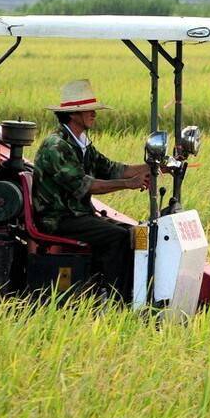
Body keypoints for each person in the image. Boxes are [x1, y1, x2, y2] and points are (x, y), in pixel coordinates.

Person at [33, 80, 151, 300]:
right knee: (117, 237)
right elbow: (85, 185)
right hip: (58, 218)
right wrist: (129, 184)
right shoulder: (56, 146)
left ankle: (124, 291)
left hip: (79, 215)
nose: (94, 114)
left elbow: (112, 169)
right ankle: (116, 298)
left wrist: (154, 167)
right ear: (73, 115)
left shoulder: (81, 144)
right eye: (88, 110)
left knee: (133, 232)